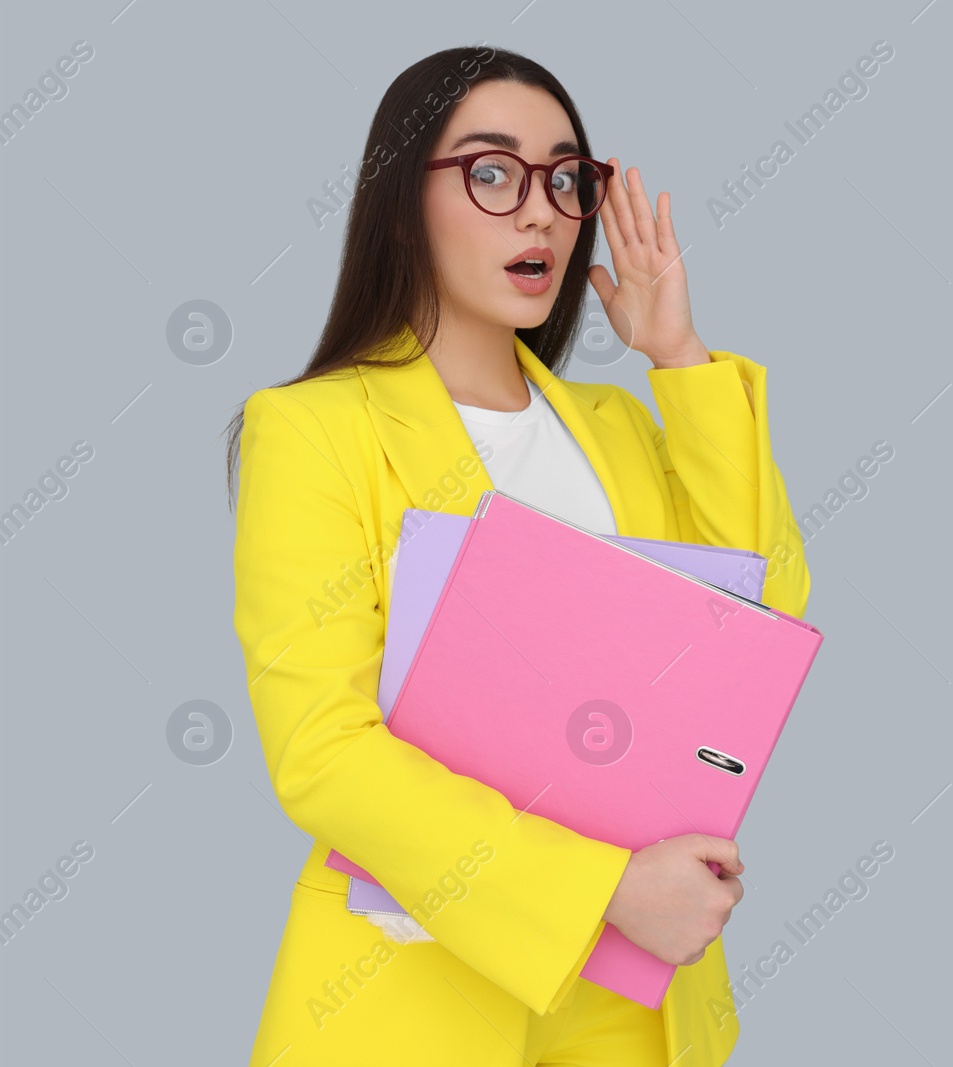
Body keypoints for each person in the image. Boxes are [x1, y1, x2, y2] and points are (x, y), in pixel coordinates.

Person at [224, 43, 809, 1067]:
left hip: (634, 999)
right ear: (403, 201)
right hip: (412, 991)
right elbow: (323, 748)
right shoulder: (312, 429)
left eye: (566, 179)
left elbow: (762, 621)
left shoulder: (620, 425)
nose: (539, 210)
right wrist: (604, 890)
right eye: (491, 173)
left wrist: (679, 358)